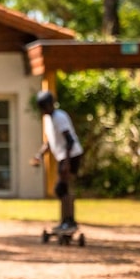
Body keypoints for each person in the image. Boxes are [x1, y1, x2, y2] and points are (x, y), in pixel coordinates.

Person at [30, 90, 83, 233]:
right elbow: (49, 142)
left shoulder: (60, 117)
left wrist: (66, 163)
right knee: (62, 190)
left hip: (71, 156)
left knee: (61, 189)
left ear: (50, 105)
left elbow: (70, 141)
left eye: (44, 107)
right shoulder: (48, 119)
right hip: (64, 157)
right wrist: (39, 155)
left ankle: (69, 221)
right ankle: (66, 221)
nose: (43, 110)